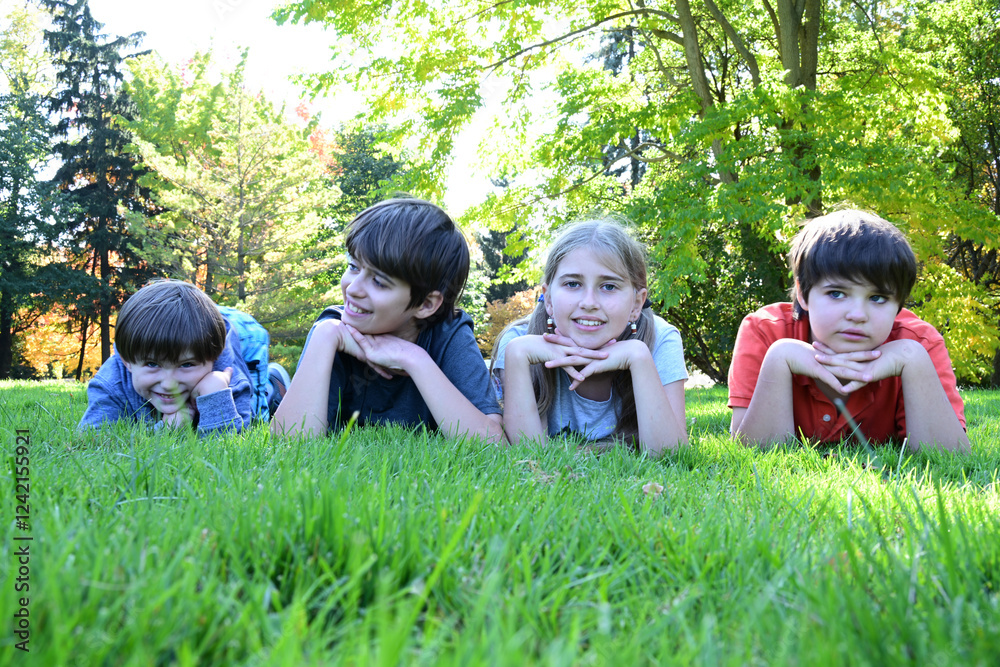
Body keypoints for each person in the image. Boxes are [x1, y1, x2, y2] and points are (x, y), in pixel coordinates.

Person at [728, 209, 968, 452]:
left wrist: (913, 361)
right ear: (803, 293)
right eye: (836, 293)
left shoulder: (920, 344)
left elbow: (950, 457)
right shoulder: (764, 332)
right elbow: (750, 453)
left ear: (899, 304)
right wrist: (780, 359)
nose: (857, 314)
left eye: (877, 298)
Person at [270, 197, 504, 442]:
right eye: (353, 267)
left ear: (425, 305)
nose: (353, 289)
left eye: (379, 282)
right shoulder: (333, 329)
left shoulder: (449, 333)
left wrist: (414, 359)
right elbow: (289, 445)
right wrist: (324, 335)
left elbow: (493, 445)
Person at [491, 219, 688, 457]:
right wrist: (517, 356)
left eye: (608, 287)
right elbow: (528, 456)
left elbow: (670, 456)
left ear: (637, 303)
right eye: (573, 284)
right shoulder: (520, 342)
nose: (589, 303)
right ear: (549, 298)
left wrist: (638, 358)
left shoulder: (661, 339)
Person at [79, 279, 255, 434]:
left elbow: (230, 452)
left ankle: (274, 385)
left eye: (186, 364)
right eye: (152, 364)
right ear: (128, 362)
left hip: (240, 349)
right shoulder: (111, 383)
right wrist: (165, 431)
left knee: (261, 405)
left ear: (213, 359)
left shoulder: (229, 381)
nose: (169, 385)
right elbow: (92, 443)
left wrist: (215, 399)